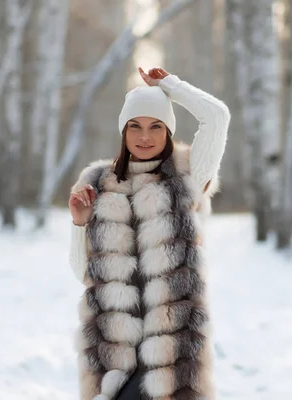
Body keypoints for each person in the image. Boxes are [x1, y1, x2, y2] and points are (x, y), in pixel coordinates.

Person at [68, 66, 231, 400]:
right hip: (114, 350)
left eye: (156, 126)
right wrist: (79, 224)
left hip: (173, 351)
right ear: (123, 133)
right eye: (135, 127)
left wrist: (169, 85)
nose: (145, 136)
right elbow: (84, 272)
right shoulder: (98, 181)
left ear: (168, 132)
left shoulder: (186, 176)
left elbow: (217, 118)